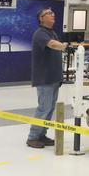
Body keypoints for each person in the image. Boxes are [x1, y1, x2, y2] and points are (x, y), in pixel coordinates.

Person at [27, 8, 66, 148]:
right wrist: (64, 46)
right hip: (45, 79)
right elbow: (52, 44)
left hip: (54, 78)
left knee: (49, 108)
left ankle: (41, 134)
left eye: (53, 13)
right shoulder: (40, 34)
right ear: (41, 18)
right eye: (49, 13)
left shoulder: (52, 32)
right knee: (44, 107)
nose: (53, 15)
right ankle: (32, 137)